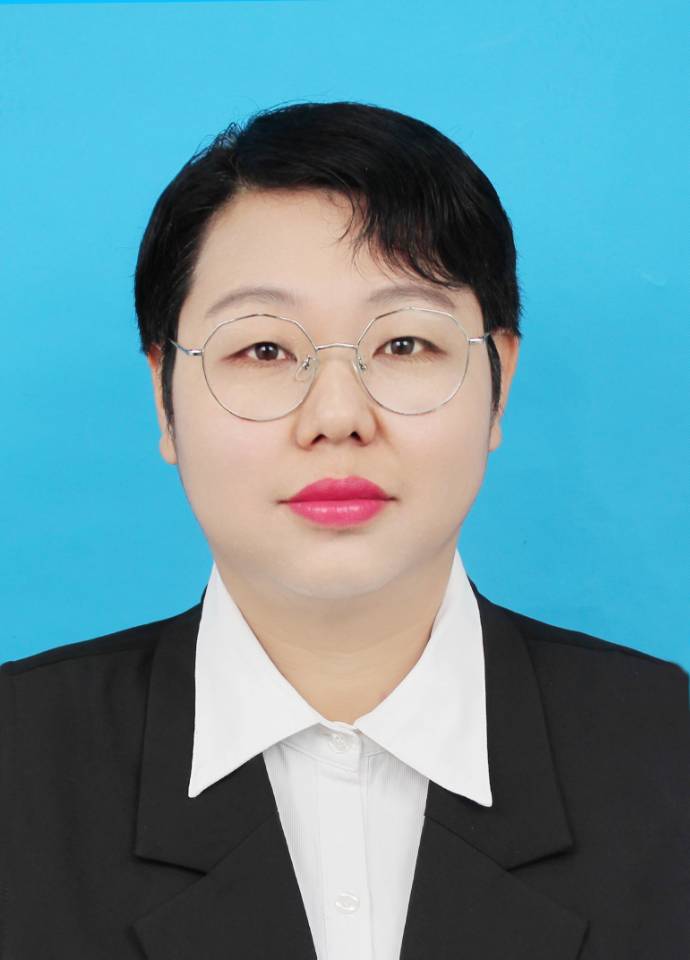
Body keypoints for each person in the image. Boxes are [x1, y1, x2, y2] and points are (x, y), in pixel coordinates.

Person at [0, 101, 687, 960]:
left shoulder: (668, 755)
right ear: (164, 398)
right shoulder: (18, 765)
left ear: (498, 384)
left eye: (404, 345)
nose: (337, 417)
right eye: (263, 351)